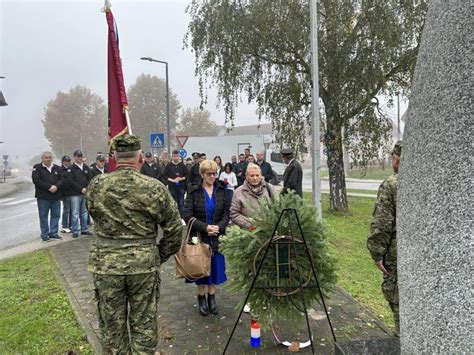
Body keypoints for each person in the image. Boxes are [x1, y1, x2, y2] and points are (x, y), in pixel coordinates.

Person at [86, 134, 182, 354]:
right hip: (143, 265)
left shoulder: (97, 185)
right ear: (140, 157)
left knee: (112, 325)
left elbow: (93, 213)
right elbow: (175, 229)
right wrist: (158, 254)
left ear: (115, 158)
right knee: (143, 322)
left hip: (106, 265)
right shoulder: (154, 187)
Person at [183, 160, 230, 316]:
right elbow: (187, 215)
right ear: (202, 174)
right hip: (198, 236)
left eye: (214, 173)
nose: (212, 176)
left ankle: (212, 297)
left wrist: (219, 227)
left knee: (215, 268)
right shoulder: (193, 191)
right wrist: (205, 227)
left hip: (216, 236)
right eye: (209, 174)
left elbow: (226, 213)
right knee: (200, 268)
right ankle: (201, 298)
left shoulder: (222, 190)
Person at [367, 141, 402, 337]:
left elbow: (382, 223)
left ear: (396, 160)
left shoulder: (392, 184)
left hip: (397, 255)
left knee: (397, 299)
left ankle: (402, 340)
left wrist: (377, 254)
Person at [230, 163, 277, 230]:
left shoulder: (270, 188)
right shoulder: (239, 192)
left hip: (269, 230)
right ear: (246, 176)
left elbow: (277, 208)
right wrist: (250, 224)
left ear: (261, 175)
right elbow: (234, 214)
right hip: (248, 232)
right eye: (252, 176)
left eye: (257, 175)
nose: (255, 178)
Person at [32, 151, 63, 241]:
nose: (48, 159)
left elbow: (62, 179)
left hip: (56, 196)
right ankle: (45, 235)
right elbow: (36, 180)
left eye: (49, 157)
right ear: (42, 158)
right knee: (43, 216)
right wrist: (49, 187)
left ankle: (53, 233)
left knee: (56, 215)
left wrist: (56, 186)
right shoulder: (37, 168)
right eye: (46, 157)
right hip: (43, 197)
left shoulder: (57, 168)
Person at [69, 150, 93, 238]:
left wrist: (87, 188)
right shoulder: (71, 168)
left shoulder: (86, 167)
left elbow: (90, 178)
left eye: (81, 156)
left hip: (85, 193)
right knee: (75, 213)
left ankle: (84, 229)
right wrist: (80, 189)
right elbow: (71, 181)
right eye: (78, 156)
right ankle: (75, 231)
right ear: (74, 157)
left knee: (84, 212)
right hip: (75, 194)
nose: (80, 158)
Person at [164, 150, 188, 218]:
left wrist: (181, 179)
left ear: (179, 156)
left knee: (181, 203)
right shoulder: (168, 166)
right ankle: (174, 218)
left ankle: (182, 218)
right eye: (174, 156)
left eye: (177, 156)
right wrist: (172, 180)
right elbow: (165, 176)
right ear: (172, 157)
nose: (176, 157)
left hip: (181, 187)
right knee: (173, 203)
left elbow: (186, 175)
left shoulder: (183, 166)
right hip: (172, 187)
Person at [59, 155, 73, 233]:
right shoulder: (60, 170)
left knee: (72, 210)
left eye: (69, 161)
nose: (68, 162)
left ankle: (71, 225)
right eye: (67, 161)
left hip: (72, 192)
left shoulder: (71, 169)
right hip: (65, 193)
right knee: (66, 209)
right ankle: (64, 226)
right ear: (63, 162)